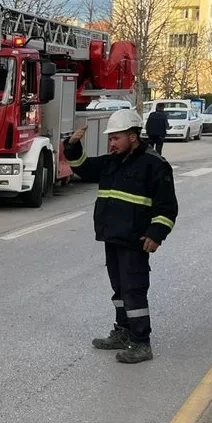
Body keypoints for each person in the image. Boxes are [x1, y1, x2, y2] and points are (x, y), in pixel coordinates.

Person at [65, 108, 178, 364]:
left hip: (135, 241)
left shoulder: (154, 165)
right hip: (113, 237)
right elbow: (83, 167)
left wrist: (156, 234)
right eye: (111, 138)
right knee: (119, 290)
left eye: (116, 138)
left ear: (133, 136)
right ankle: (123, 331)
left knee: (134, 290)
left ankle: (141, 343)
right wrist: (72, 145)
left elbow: (167, 207)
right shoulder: (112, 161)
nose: (111, 143)